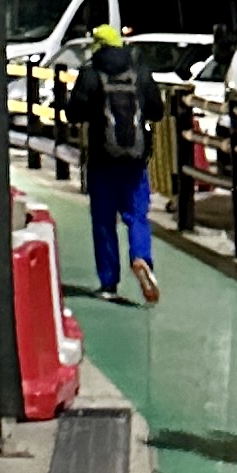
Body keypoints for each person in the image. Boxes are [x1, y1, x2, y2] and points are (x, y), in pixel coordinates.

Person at [65, 18, 163, 303]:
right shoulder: (139, 70)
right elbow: (157, 111)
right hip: (135, 161)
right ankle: (141, 257)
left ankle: (108, 283)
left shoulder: (90, 72)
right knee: (137, 216)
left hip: (102, 159)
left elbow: (73, 113)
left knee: (104, 221)